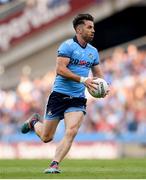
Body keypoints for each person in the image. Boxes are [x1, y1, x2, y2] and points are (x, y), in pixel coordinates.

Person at [21, 13, 107, 174]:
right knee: (47, 137)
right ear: (79, 30)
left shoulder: (93, 52)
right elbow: (60, 70)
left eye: (93, 27)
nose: (93, 30)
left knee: (72, 130)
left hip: (77, 99)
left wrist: (104, 87)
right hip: (59, 96)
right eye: (89, 27)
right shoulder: (67, 46)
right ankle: (34, 122)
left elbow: (99, 75)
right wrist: (83, 80)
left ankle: (54, 164)